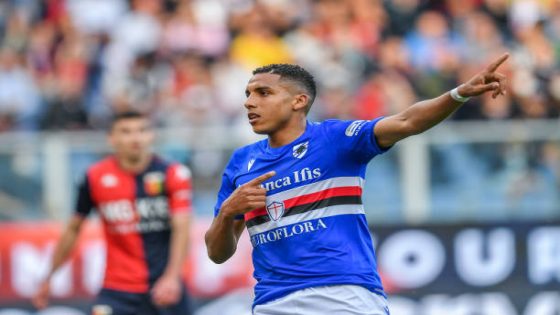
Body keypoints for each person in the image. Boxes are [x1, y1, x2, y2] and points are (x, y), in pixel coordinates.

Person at [205, 55, 509, 315]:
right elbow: (218, 253)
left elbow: (407, 121)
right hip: (274, 302)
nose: (249, 102)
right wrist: (226, 212)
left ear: (299, 101)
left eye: (263, 93)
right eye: (248, 93)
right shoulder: (241, 163)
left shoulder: (335, 139)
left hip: (344, 296)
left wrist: (459, 94)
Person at [32, 111, 193, 315]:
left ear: (151, 135)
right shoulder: (94, 178)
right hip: (117, 289)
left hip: (164, 286)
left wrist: (172, 276)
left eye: (142, 130)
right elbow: (73, 229)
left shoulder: (173, 174)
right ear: (111, 138)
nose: (135, 138)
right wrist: (49, 276)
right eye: (126, 132)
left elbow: (182, 228)